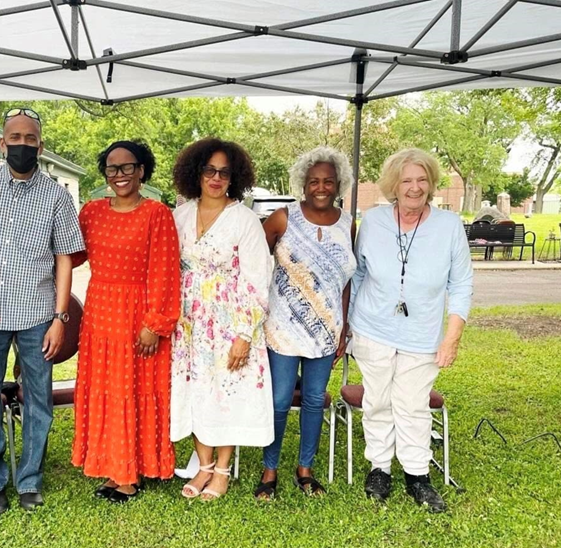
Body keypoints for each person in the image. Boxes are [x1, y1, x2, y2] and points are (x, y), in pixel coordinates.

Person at [0, 107, 84, 515]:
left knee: (38, 401)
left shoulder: (56, 194)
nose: (22, 145)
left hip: (37, 316)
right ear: (1, 143)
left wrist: (61, 318)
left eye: (30, 140)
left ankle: (29, 480)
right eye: (15, 138)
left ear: (40, 147)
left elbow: (64, 256)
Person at [349, 148, 473, 513]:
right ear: (393, 185)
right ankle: (379, 468)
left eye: (422, 180)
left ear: (432, 184)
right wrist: (348, 327)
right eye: (407, 180)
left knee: (413, 404)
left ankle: (417, 475)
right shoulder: (373, 222)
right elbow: (358, 274)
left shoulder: (449, 226)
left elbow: (462, 284)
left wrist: (452, 337)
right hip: (372, 327)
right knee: (377, 401)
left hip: (422, 334)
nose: (414, 188)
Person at [71, 141, 180, 504]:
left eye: (127, 167)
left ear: (142, 171)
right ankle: (109, 465)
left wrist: (155, 322)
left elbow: (165, 271)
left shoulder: (156, 213)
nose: (119, 175)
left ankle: (130, 474)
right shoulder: (91, 212)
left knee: (133, 390)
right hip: (100, 315)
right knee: (105, 391)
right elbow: (70, 254)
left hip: (138, 314)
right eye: (112, 168)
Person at [170, 138, 273, 501]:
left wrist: (245, 333)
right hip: (190, 322)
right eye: (209, 170)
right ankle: (203, 465)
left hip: (231, 320)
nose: (215, 178)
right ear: (195, 173)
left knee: (226, 391)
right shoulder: (179, 215)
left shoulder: (244, 219)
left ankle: (223, 470)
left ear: (234, 177)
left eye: (224, 172)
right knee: (197, 392)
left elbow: (259, 279)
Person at [255, 147, 356, 500]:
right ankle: (270, 470)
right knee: (280, 400)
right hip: (282, 327)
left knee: (314, 400)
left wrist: (343, 326)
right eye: (314, 181)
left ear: (338, 183)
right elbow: (254, 259)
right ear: (303, 183)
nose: (321, 187)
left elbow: (345, 279)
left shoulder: (348, 222)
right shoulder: (283, 218)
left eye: (328, 180)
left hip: (327, 329)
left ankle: (305, 469)